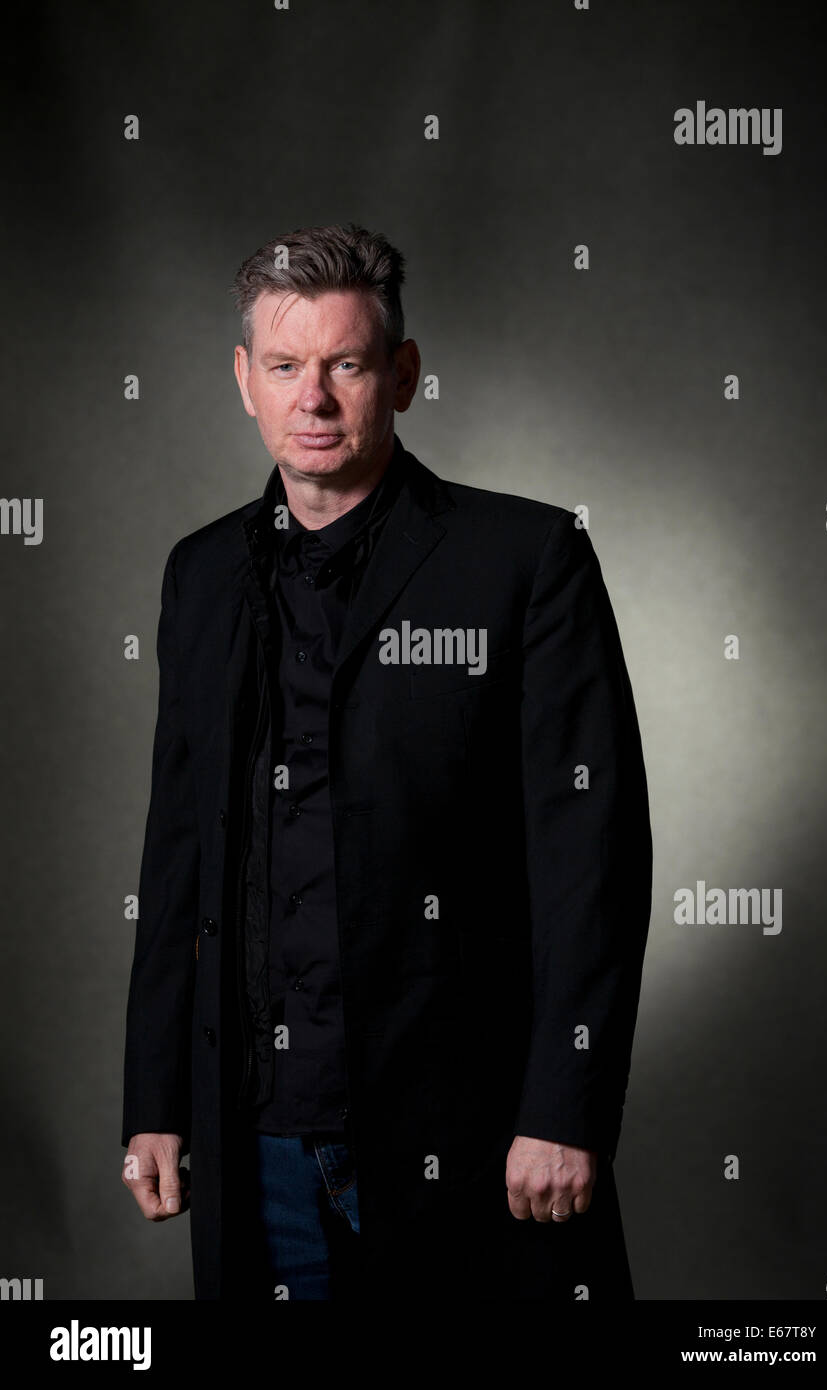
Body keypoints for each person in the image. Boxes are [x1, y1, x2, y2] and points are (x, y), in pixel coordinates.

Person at [121, 222, 653, 1301]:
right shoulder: (200, 574)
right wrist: (156, 1097)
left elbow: (588, 855)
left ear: (401, 376)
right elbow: (177, 852)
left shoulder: (526, 560)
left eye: (345, 364)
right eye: (283, 366)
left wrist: (563, 1106)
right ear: (244, 382)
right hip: (251, 1138)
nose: (311, 397)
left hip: (465, 1135)